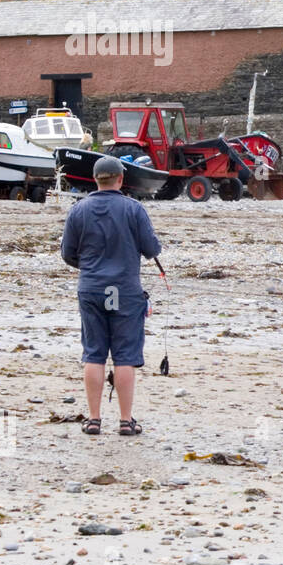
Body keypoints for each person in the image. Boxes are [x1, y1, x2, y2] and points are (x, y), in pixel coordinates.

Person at [60, 156, 162, 435]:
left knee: (93, 353)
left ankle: (94, 419)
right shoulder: (134, 209)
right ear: (120, 179)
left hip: (92, 287)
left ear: (96, 179)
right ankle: (126, 421)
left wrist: (91, 267)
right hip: (125, 291)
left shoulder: (78, 210)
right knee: (125, 356)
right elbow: (152, 249)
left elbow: (67, 254)